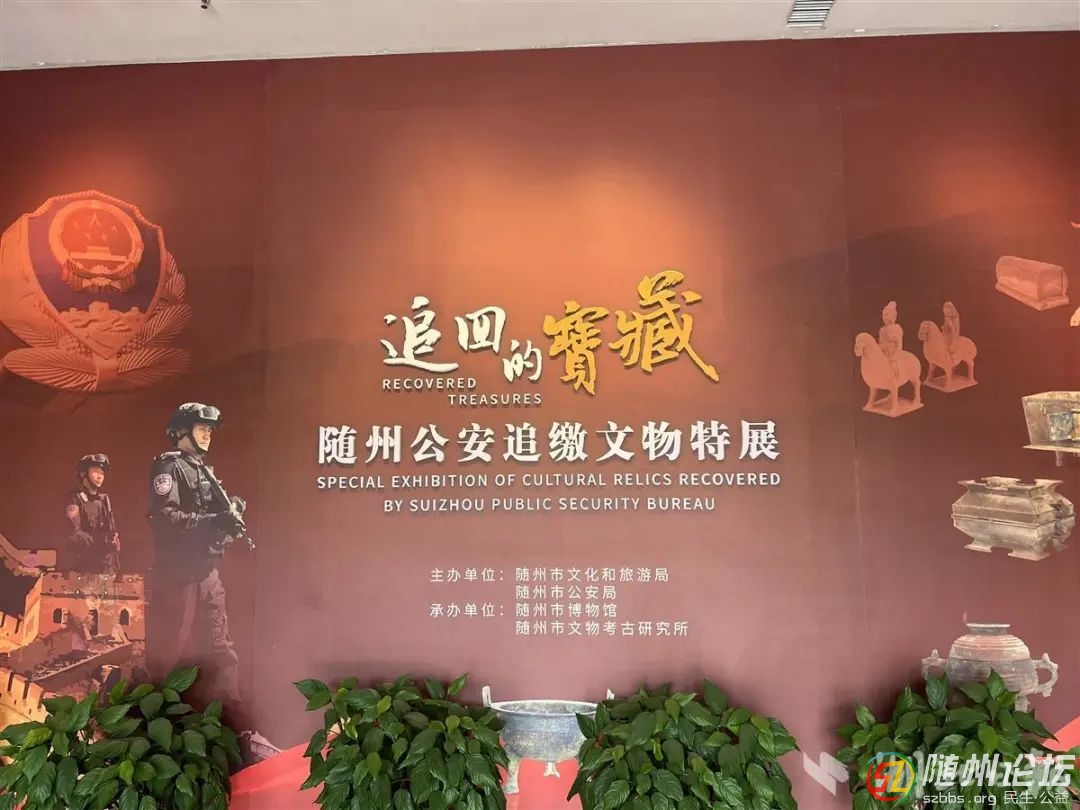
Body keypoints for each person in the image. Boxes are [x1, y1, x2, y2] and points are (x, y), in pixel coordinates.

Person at [146, 403, 248, 724]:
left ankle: (233, 719)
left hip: (207, 574)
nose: (207, 435)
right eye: (201, 428)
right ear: (182, 432)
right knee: (169, 653)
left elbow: (215, 511)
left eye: (209, 430)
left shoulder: (204, 470)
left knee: (221, 649)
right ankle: (153, 724)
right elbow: (166, 518)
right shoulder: (169, 467)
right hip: (178, 578)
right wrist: (214, 520)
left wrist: (232, 510)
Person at [65, 453, 119, 575]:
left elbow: (112, 533)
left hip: (104, 566)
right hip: (82, 566)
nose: (100, 477)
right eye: (95, 471)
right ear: (83, 473)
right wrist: (101, 540)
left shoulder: (104, 500)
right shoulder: (74, 498)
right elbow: (74, 534)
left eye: (102, 473)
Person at [877, 301, 903, 376]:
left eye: (887, 315)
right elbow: (880, 343)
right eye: (884, 315)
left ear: (893, 316)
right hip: (883, 354)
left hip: (893, 354)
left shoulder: (897, 328)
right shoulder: (882, 330)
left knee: (893, 369)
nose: (884, 317)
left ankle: (895, 378)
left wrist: (896, 356)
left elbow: (899, 344)